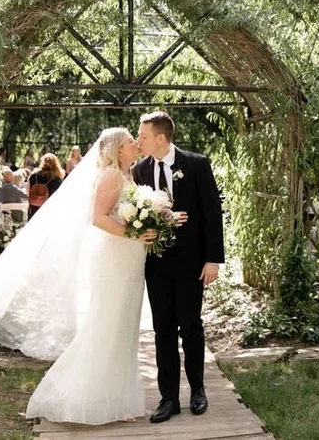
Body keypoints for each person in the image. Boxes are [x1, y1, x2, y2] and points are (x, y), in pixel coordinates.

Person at [0, 128, 185, 425]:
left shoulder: (128, 175)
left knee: (124, 328)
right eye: (131, 140)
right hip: (115, 260)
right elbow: (98, 218)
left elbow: (128, 215)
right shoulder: (110, 177)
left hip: (130, 262)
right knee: (107, 326)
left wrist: (160, 218)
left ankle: (118, 401)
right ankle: (88, 398)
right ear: (119, 149)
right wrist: (135, 234)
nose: (136, 143)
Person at [133, 111, 224, 423]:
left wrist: (213, 259)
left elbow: (212, 212)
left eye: (143, 136)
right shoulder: (140, 170)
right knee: (163, 330)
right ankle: (168, 398)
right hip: (156, 264)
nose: (138, 141)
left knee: (191, 326)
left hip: (191, 263)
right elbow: (136, 216)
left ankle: (198, 390)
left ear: (160, 137)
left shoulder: (196, 164)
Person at [26, 153, 64, 219]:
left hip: (33, 207)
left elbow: (28, 192)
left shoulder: (33, 176)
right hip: (49, 210)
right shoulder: (57, 180)